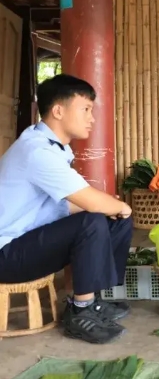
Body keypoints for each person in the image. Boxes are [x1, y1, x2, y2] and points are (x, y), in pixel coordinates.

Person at [0, 74, 133, 344]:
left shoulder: (52, 147)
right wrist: (118, 205)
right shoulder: (37, 151)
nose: (91, 118)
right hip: (7, 254)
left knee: (113, 218)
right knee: (94, 219)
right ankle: (79, 312)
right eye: (85, 109)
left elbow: (67, 205)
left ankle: (92, 300)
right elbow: (89, 202)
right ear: (58, 110)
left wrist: (114, 209)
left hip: (27, 239)